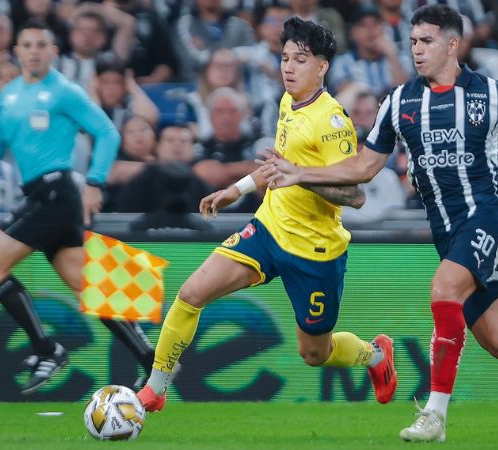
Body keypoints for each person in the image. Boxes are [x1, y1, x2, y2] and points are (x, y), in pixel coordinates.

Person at [264, 6, 498, 442]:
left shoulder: (489, 93)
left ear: (452, 44)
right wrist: (300, 172)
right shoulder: (400, 101)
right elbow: (364, 166)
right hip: (449, 234)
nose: (417, 50)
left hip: (491, 216)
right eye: (411, 42)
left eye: (425, 41)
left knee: (444, 289)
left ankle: (434, 415)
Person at [136, 17, 397, 414]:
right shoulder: (288, 100)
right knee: (190, 295)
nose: (288, 67)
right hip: (268, 229)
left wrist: (301, 177)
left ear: (322, 66)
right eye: (285, 58)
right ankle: (154, 390)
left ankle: (375, 356)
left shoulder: (332, 123)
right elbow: (279, 164)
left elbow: (354, 195)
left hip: (314, 251)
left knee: (314, 353)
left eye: (300, 60)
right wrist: (235, 189)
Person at [0, 21, 156, 395]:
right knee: (89, 287)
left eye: (40, 45)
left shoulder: (64, 92)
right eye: (27, 44)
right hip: (39, 195)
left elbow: (107, 132)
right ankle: (152, 362)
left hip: (56, 193)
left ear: (53, 52)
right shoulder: (10, 95)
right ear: (16, 51)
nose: (33, 51)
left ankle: (47, 349)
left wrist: (94, 182)